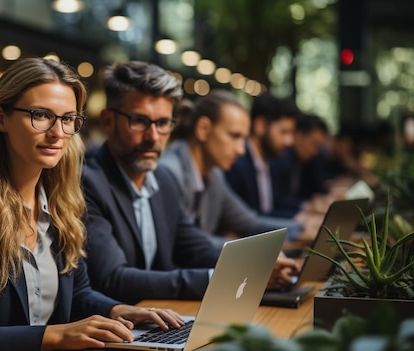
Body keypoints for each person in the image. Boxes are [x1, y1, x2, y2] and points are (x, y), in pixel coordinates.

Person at [0, 58, 184, 351]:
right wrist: (56, 336)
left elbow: (78, 293)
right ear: (0, 118)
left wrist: (117, 310)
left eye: (68, 119)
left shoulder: (63, 204)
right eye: (41, 115)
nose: (57, 133)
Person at [82, 61, 300, 305]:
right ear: (108, 122)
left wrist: (255, 262)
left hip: (161, 318)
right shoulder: (89, 183)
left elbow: (196, 246)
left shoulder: (161, 180)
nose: (153, 137)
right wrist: (219, 278)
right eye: (140, 121)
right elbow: (113, 278)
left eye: (163, 123)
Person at [159, 91, 303, 242]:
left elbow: (249, 223)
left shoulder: (215, 175)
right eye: (234, 136)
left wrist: (301, 228)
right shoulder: (169, 173)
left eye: (243, 139)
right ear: (203, 129)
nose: (241, 150)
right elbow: (189, 246)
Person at [224, 92, 300, 218]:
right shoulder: (235, 163)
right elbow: (247, 220)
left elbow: (274, 206)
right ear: (260, 126)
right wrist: (300, 223)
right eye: (284, 132)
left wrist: (305, 211)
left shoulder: (273, 161)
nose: (290, 141)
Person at [270, 113, 330, 215]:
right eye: (313, 144)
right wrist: (307, 205)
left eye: (318, 146)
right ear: (297, 136)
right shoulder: (280, 159)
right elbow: (276, 201)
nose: (315, 152)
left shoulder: (304, 162)